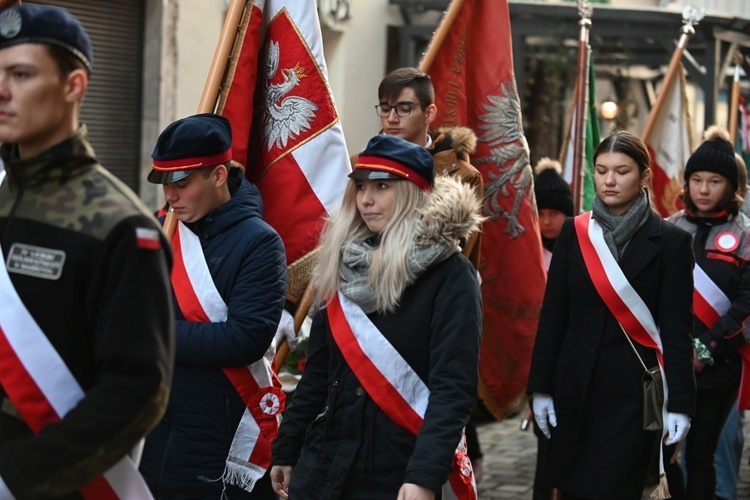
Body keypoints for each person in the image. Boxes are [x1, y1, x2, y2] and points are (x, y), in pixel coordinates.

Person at [0, 5, 174, 498]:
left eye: (21, 74)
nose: (2, 91)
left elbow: (136, 389)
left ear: (74, 85)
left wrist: (15, 477)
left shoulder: (120, 226)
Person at [269, 135, 483, 500]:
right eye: (362, 186)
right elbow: (318, 373)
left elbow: (452, 390)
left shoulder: (451, 274)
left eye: (382, 186)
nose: (366, 199)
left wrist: (424, 476)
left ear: (414, 193)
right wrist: (287, 448)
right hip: (324, 463)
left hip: (397, 468)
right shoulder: (341, 261)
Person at [527, 130, 696, 499]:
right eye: (601, 170)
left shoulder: (671, 243)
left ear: (644, 176)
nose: (609, 180)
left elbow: (676, 328)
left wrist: (681, 402)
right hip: (574, 390)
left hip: (633, 398)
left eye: (621, 171)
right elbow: (554, 315)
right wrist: (540, 386)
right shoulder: (575, 231)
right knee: (571, 489)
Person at [140, 114, 287, 498]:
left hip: (216, 434)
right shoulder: (160, 229)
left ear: (219, 176)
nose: (169, 197)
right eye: (165, 185)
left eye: (182, 184)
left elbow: (245, 338)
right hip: (155, 426)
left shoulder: (259, 243)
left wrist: (154, 334)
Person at [666, 125, 750, 499]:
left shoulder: (745, 238)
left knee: (701, 456)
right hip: (666, 366)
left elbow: (746, 308)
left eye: (714, 181)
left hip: (718, 371)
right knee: (662, 457)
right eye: (696, 179)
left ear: (731, 187)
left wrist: (706, 349)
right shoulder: (667, 229)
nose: (703, 189)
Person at [526, 157, 574, 500]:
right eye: (540, 212)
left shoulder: (578, 252)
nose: (547, 221)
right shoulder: (526, 257)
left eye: (554, 213)